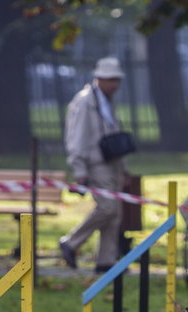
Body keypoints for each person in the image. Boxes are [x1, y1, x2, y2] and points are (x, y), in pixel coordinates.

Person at [59, 57, 130, 273]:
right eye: (110, 80)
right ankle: (71, 242)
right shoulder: (85, 102)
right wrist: (79, 169)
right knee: (107, 208)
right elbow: (77, 139)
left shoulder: (106, 101)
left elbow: (113, 136)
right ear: (99, 78)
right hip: (94, 165)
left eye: (117, 80)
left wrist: (123, 168)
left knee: (114, 213)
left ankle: (106, 261)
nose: (115, 85)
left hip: (111, 165)